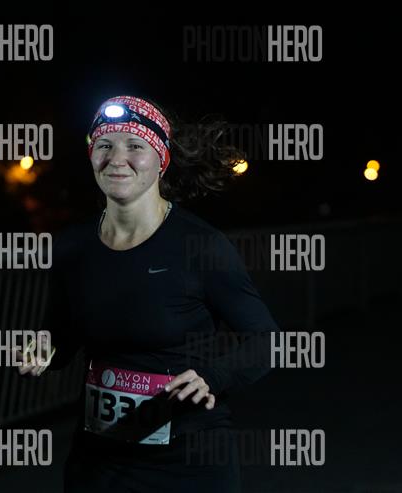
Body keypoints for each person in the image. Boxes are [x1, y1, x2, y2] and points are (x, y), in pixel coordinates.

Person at [15, 95, 278, 492]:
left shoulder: (200, 246)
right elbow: (62, 337)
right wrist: (44, 349)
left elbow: (267, 340)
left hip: (187, 463)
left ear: (161, 160)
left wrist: (214, 376)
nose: (116, 159)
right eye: (104, 145)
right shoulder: (73, 247)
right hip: (99, 464)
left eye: (135, 146)